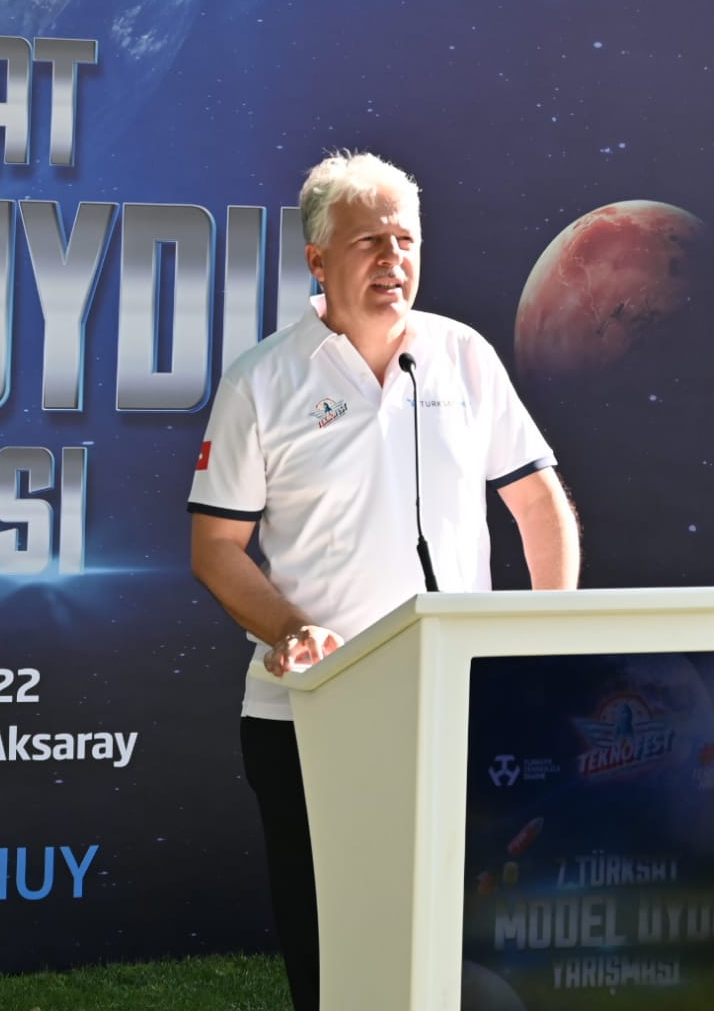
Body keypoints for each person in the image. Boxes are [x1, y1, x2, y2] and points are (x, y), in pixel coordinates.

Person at [187, 150, 579, 1011]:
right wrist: (290, 631)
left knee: (460, 939)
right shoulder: (262, 380)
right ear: (316, 259)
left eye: (404, 240)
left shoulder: (462, 356)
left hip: (456, 709)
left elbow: (537, 503)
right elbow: (215, 546)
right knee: (331, 949)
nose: (392, 258)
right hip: (310, 712)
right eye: (367, 241)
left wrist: (545, 639)